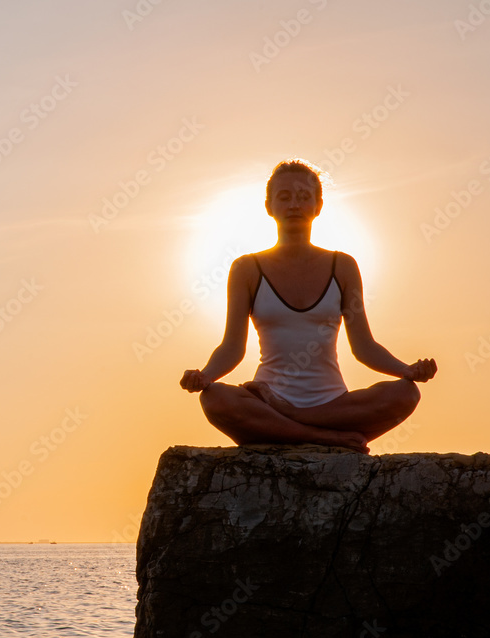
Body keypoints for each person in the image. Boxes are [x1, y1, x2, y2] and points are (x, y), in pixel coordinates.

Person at [180, 159, 437, 454]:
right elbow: (232, 347)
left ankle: (290, 424)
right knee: (214, 399)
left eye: (304, 197)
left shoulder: (343, 266)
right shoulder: (246, 269)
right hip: (266, 399)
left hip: (331, 406)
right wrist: (206, 375)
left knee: (405, 394)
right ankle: (326, 438)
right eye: (284, 197)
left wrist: (407, 370)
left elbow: (364, 346)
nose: (294, 205)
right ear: (269, 206)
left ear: (318, 206)